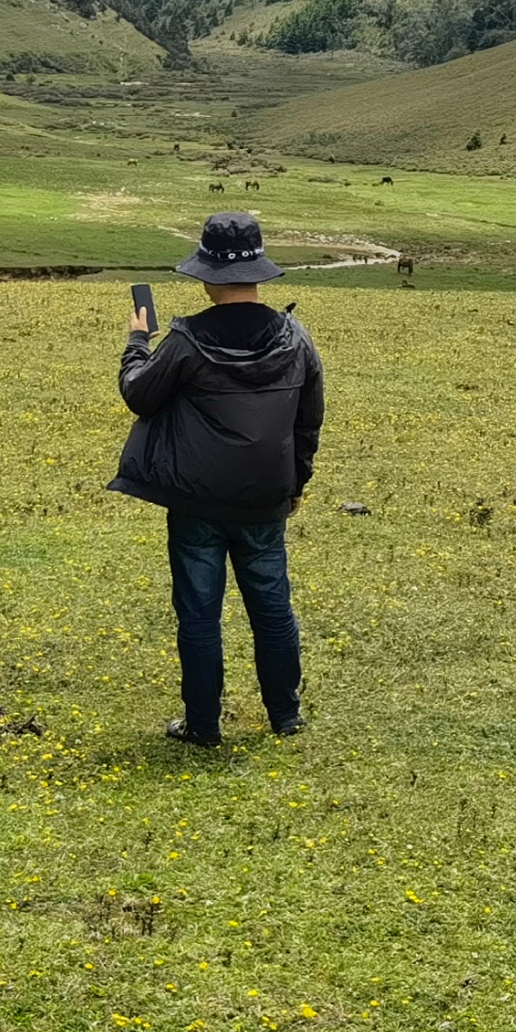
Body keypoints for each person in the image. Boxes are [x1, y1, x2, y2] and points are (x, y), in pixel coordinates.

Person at [111, 212, 321, 746]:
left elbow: (139, 394)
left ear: (206, 278)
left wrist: (137, 343)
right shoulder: (295, 338)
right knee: (272, 606)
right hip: (266, 499)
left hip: (197, 502)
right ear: (258, 274)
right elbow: (308, 419)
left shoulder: (185, 340)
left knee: (199, 614)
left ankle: (203, 725)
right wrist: (296, 484)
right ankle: (286, 715)